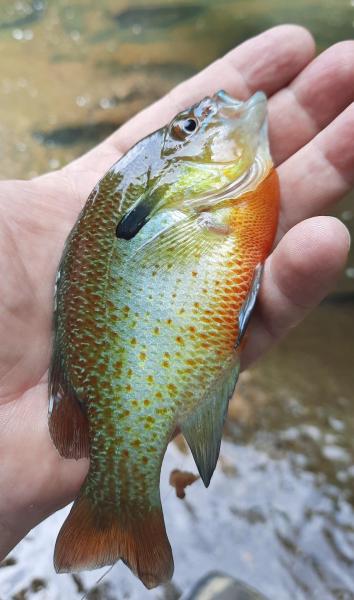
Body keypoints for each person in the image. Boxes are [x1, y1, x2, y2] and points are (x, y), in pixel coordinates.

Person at [0, 24, 353, 562]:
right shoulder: (190, 203)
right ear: (161, 188)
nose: (211, 115)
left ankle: (119, 515)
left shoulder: (200, 200)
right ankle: (120, 504)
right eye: (191, 126)